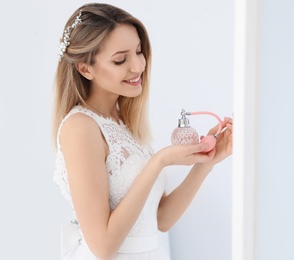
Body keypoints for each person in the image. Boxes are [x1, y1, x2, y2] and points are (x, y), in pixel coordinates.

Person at [52, 3, 233, 260]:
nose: (138, 66)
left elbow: (160, 219)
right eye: (120, 59)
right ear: (85, 68)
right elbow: (102, 247)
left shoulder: (122, 123)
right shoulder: (80, 128)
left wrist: (207, 163)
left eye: (139, 51)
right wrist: (159, 161)